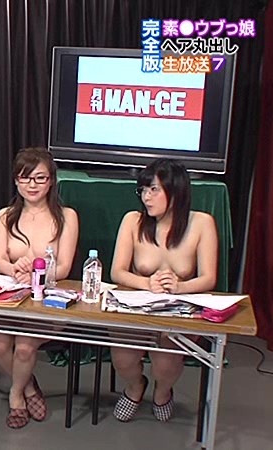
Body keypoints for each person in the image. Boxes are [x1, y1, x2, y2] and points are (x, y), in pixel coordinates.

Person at [110, 159, 217, 422]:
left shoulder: (201, 223)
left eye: (154, 190)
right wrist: (146, 283)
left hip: (178, 311)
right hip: (137, 307)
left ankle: (163, 391)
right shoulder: (133, 221)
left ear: (176, 190)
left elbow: (209, 278)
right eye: (143, 190)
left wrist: (180, 286)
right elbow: (117, 272)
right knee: (123, 359)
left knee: (165, 366)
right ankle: (135, 387)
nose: (146, 197)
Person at [0, 147, 78, 428]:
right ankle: (29, 386)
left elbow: (64, 267)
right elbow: (0, 260)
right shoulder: (5, 216)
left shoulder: (66, 216)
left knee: (25, 347)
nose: (32, 184)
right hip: (12, 293)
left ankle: (16, 395)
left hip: (49, 297)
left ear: (51, 181)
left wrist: (37, 273)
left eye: (40, 178)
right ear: (16, 180)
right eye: (25, 178)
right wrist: (14, 268)